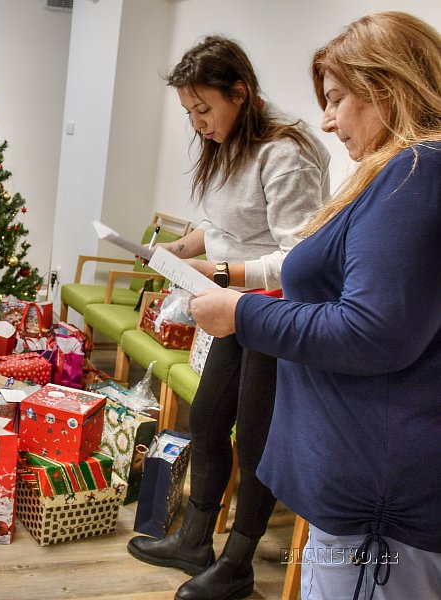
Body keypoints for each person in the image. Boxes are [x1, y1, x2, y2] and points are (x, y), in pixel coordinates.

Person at [189, 12, 441, 600]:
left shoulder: (415, 173)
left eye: (336, 99)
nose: (326, 121)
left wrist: (242, 313)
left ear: (388, 86)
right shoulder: (397, 174)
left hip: (376, 501)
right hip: (360, 483)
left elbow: (372, 330)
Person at [126, 36, 332, 600]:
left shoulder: (285, 153)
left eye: (203, 109)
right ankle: (195, 540)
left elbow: (299, 257)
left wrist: (222, 276)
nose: (197, 123)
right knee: (209, 420)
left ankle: (238, 562)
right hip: (235, 305)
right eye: (189, 113)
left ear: (240, 94)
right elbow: (222, 227)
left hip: (275, 311)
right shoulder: (226, 141)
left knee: (256, 439)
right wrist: (174, 250)